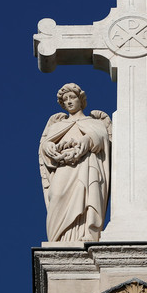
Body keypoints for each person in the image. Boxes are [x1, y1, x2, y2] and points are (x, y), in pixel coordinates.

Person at [39, 83, 111, 242]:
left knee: (86, 196)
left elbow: (103, 141)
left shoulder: (94, 122)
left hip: (86, 165)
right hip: (63, 165)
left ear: (81, 99)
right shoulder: (57, 125)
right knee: (56, 195)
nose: (69, 101)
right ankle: (59, 238)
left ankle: (85, 232)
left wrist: (88, 139)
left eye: (72, 97)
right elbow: (45, 146)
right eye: (65, 100)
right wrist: (48, 146)